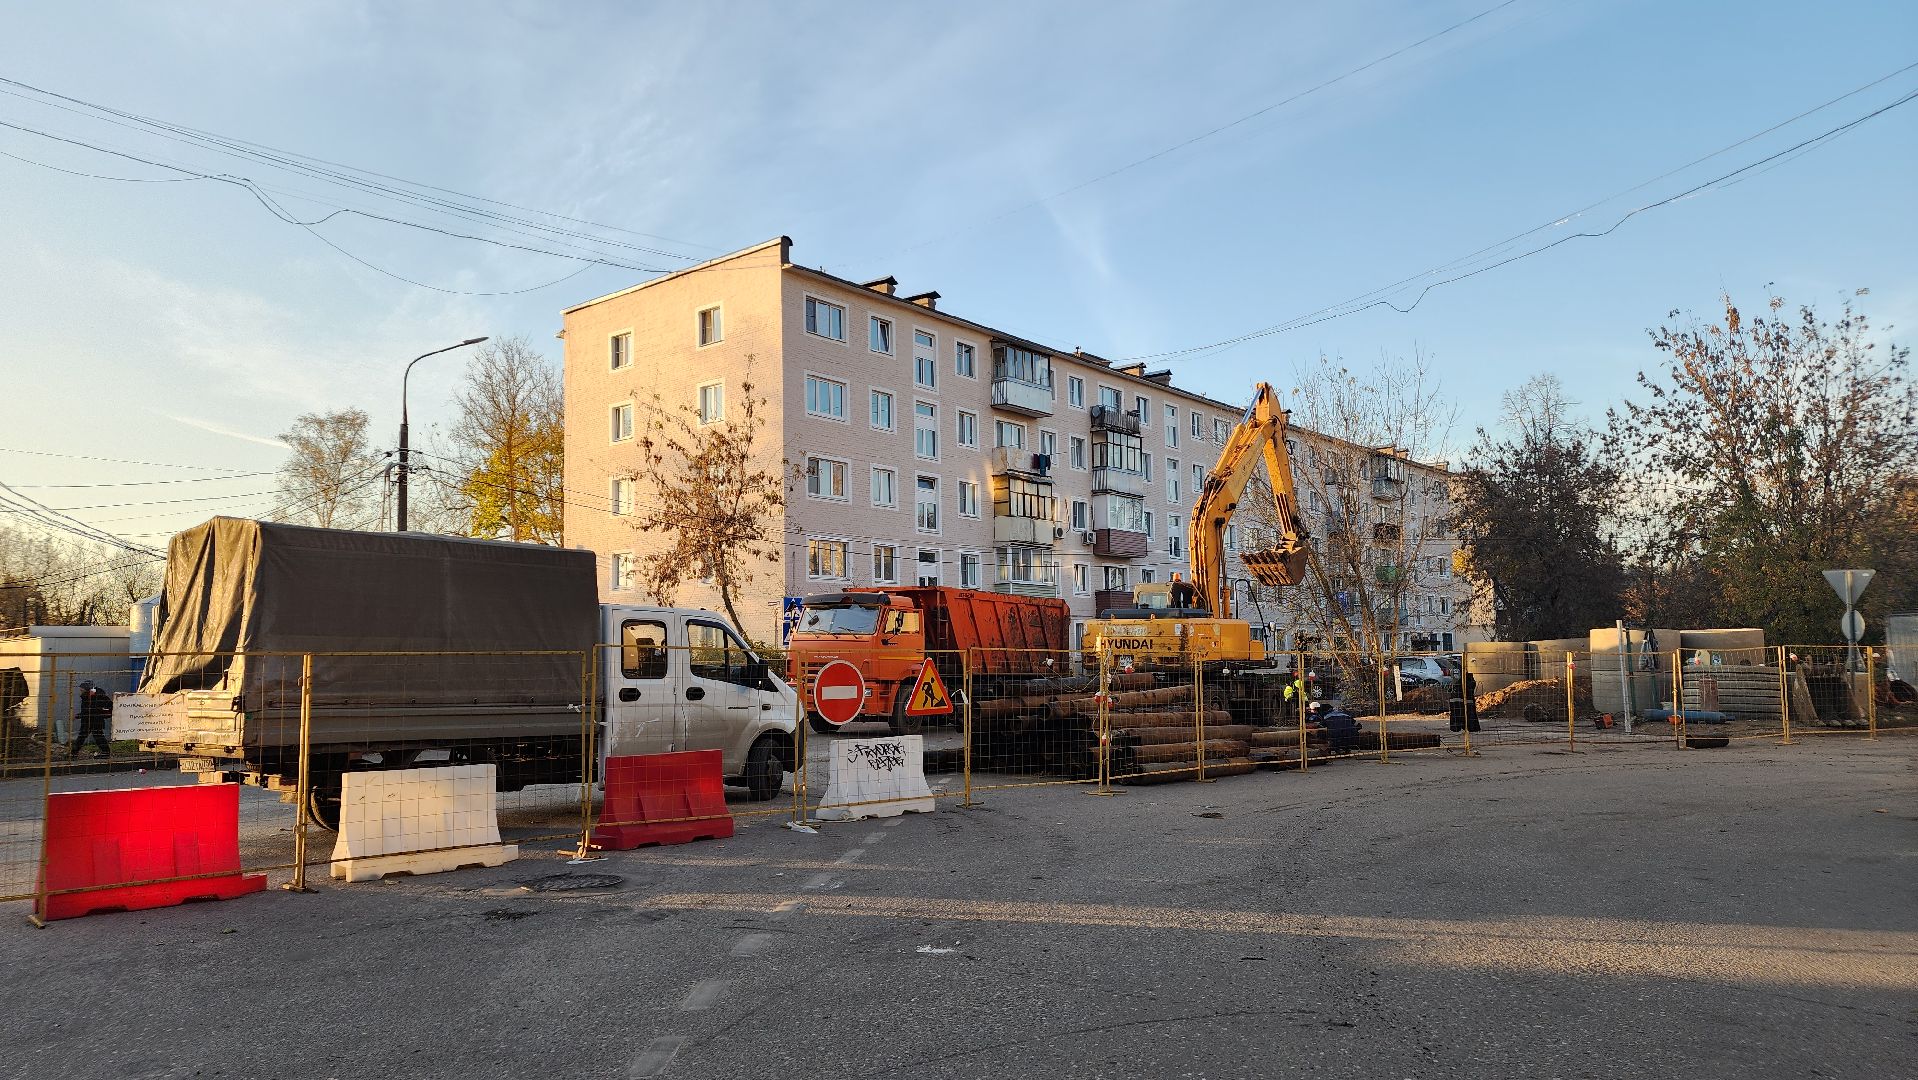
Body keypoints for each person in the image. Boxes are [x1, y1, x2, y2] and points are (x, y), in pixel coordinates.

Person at [68, 680, 112, 760]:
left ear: (87, 690)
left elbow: (88, 711)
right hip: (96, 720)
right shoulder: (96, 694)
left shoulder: (90, 697)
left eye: (81, 690)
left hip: (90, 720)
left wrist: (77, 716)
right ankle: (105, 752)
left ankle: (73, 754)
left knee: (83, 737)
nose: (80, 692)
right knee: (97, 736)